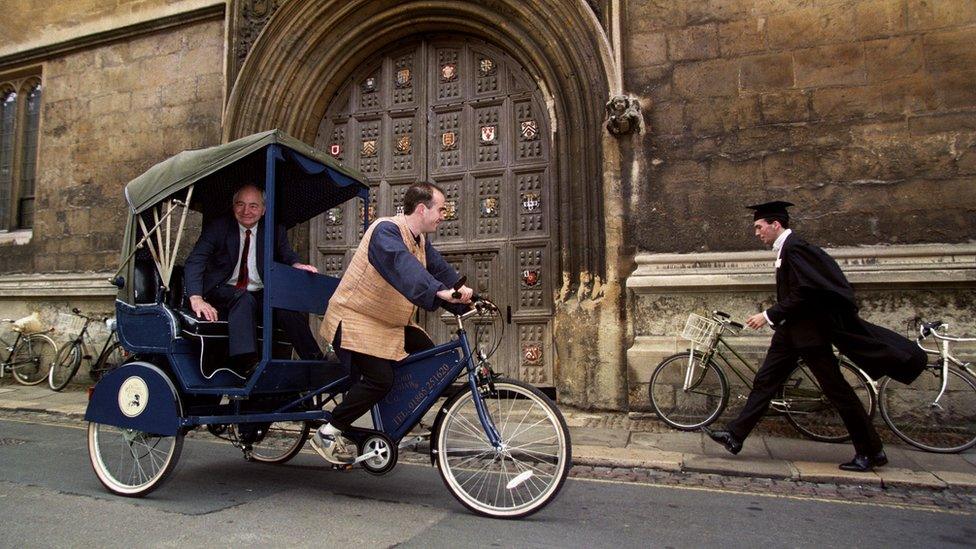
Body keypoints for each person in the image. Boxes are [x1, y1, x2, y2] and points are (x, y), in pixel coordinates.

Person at [704, 201, 925, 472]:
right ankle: (735, 435)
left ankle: (871, 451)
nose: (756, 233)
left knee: (837, 391)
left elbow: (806, 292)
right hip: (791, 332)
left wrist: (769, 315)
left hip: (809, 334)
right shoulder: (788, 248)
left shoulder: (796, 247)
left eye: (759, 227)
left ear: (776, 224)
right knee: (765, 381)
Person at [312, 181, 473, 464]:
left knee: (432, 355)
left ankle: (399, 413)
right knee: (379, 379)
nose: (443, 215)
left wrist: (470, 299)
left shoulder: (421, 241)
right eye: (441, 209)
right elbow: (402, 266)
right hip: (355, 319)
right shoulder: (385, 230)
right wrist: (437, 291)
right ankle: (329, 431)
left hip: (386, 323)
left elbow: (441, 271)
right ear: (422, 209)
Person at [184, 184, 323, 375]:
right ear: (233, 206)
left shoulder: (274, 229)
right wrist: (196, 297)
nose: (246, 211)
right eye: (240, 204)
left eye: (253, 206)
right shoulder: (219, 227)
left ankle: (315, 360)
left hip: (257, 294)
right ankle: (247, 363)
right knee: (242, 297)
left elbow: (287, 255)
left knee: (285, 306)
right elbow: (196, 260)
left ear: (264, 209)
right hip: (222, 291)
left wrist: (297, 266)